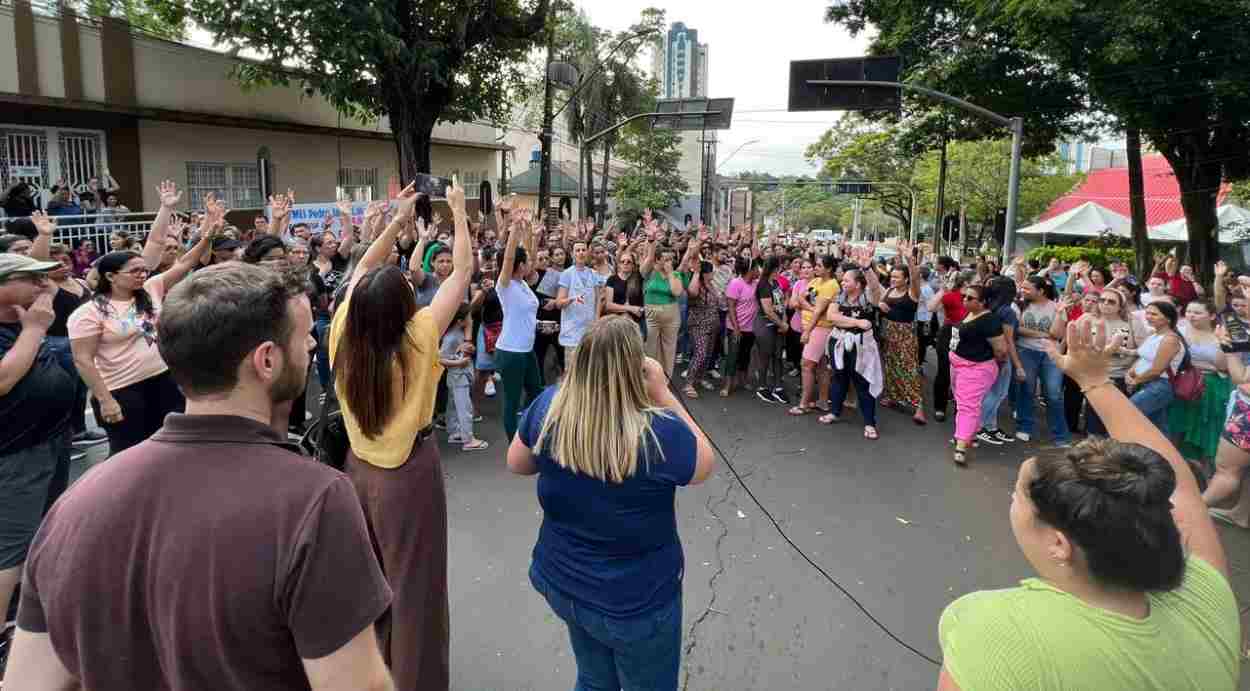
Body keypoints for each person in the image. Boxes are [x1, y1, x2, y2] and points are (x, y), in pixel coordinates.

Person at [5, 262, 395, 690]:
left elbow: (28, 682)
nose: (312, 344)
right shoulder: (315, 502)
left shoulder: (75, 503)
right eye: (303, 337)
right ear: (266, 360)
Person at [937, 316, 1239, 690]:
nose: (1012, 502)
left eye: (1017, 496)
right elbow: (1182, 493)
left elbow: (1180, 493)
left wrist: (1093, 382)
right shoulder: (1202, 597)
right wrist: (1097, 382)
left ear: (1059, 543)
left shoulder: (993, 631)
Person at [507, 317, 715, 690]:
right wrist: (665, 394)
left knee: (593, 679)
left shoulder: (551, 405)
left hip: (563, 579)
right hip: (634, 599)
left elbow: (517, 462)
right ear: (636, 367)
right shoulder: (657, 431)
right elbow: (704, 464)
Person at [330, 181, 471, 691]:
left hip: (355, 472)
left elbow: (363, 270)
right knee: (415, 593)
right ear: (404, 309)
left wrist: (396, 218)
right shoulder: (420, 337)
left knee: (366, 586)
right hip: (407, 477)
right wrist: (457, 211)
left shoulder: (344, 326)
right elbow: (462, 272)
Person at [68, 192, 219, 455]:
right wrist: (106, 400)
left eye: (143, 270)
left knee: (171, 445)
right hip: (124, 391)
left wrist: (207, 237)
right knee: (131, 453)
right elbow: (83, 360)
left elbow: (184, 263)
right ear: (111, 276)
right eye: (134, 271)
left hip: (163, 381)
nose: (142, 275)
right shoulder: (88, 313)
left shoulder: (151, 289)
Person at [0, 253, 76, 681]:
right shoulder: (27, 326)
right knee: (9, 547)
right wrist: (33, 330)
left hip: (48, 443)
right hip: (15, 453)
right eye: (29, 279)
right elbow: (3, 380)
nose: (40, 287)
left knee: (41, 533)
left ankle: (26, 613)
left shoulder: (25, 319)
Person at [821, 249, 883, 440]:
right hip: (840, 343)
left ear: (857, 284)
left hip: (862, 347)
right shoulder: (839, 296)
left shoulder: (867, 298)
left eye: (847, 280)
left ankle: (869, 423)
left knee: (862, 382)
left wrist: (866, 268)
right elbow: (832, 317)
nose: (843, 282)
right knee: (839, 378)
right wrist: (857, 323)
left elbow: (876, 290)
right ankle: (834, 411)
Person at [1165, 300, 1231, 476]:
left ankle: (1205, 474)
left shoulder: (1221, 335)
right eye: (1189, 311)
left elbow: (1223, 366)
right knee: (1180, 426)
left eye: (1197, 312)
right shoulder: (1179, 330)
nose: (1191, 316)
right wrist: (1205, 366)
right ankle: (1177, 470)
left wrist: (1220, 345)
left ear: (1211, 316)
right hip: (1183, 385)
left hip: (1211, 389)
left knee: (1206, 427)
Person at [494, 210, 543, 442]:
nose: (529, 264)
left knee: (536, 393)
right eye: (525, 263)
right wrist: (514, 229)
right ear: (519, 265)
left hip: (527, 350)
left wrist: (531, 233)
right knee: (512, 401)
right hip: (510, 352)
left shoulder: (523, 283)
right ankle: (514, 442)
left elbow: (529, 255)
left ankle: (534, 433)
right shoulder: (504, 286)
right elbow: (509, 259)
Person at [949, 284, 1007, 466]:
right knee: (965, 403)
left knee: (967, 406)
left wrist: (992, 365)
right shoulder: (970, 313)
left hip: (976, 369)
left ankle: (961, 446)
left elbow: (1001, 349)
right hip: (959, 366)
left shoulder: (989, 320)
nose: (964, 299)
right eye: (964, 296)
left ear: (983, 302)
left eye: (969, 298)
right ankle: (970, 436)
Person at [1014, 275, 1071, 445]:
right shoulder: (1020, 305)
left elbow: (1057, 334)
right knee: (1027, 389)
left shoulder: (1057, 307)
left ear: (1040, 291)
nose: (1022, 291)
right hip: (1026, 351)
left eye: (1027, 288)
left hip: (1050, 354)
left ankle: (1060, 435)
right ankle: (1025, 426)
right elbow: (1017, 329)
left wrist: (1060, 314)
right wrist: (1042, 334)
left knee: (1053, 394)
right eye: (1022, 288)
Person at [878, 243, 927, 425]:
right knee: (891, 366)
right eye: (892, 276)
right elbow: (881, 303)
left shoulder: (913, 292)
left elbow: (915, 277)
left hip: (905, 335)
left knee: (908, 369)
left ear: (906, 279)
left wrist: (909, 259)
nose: (893, 280)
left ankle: (918, 406)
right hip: (888, 332)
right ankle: (893, 396)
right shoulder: (890, 290)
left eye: (897, 277)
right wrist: (882, 307)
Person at [1080, 288, 1138, 436]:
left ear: (1120, 306)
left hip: (1121, 376)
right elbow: (1076, 346)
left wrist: (1129, 360)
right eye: (1102, 300)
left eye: (1111, 301)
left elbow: (1143, 351)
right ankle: (1093, 451)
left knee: (1116, 420)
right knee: (1094, 419)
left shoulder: (1131, 323)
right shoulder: (1087, 319)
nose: (1105, 304)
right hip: (1095, 377)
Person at [1124, 301, 1184, 433]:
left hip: (1159, 385)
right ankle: (1164, 452)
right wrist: (1130, 373)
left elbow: (1157, 369)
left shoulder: (1170, 339)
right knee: (1157, 428)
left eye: (1154, 314)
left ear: (1168, 319)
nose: (1149, 316)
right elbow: (1143, 359)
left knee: (1127, 412)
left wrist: (1135, 380)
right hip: (1146, 383)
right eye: (1147, 313)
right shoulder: (1153, 335)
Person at [791, 255, 839, 416]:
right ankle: (823, 401)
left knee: (806, 365)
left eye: (818, 265)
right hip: (814, 325)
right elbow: (800, 300)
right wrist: (814, 309)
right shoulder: (816, 282)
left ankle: (804, 404)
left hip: (819, 329)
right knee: (821, 367)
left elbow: (818, 309)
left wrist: (807, 331)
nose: (815, 268)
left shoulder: (831, 285)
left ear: (829, 268)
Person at [640, 242, 693, 377]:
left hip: (672, 315)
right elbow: (647, 261)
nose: (669, 262)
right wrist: (651, 242)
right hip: (653, 314)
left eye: (671, 259)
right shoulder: (650, 273)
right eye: (666, 259)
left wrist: (670, 273)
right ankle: (650, 377)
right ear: (657, 260)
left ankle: (666, 379)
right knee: (651, 347)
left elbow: (677, 292)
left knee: (669, 349)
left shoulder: (675, 274)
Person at [440, 305, 487, 451]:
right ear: (460, 321)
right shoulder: (451, 337)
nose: (471, 320)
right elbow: (441, 359)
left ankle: (455, 431)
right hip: (458, 377)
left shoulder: (457, 333)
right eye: (469, 317)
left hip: (459, 377)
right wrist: (458, 362)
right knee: (464, 407)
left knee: (453, 405)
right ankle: (468, 439)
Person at [930, 270, 971, 422]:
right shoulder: (951, 296)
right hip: (949, 334)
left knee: (964, 374)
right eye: (977, 280)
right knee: (944, 371)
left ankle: (960, 408)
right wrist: (942, 290)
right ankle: (939, 407)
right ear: (967, 283)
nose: (981, 283)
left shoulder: (979, 298)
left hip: (970, 336)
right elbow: (931, 307)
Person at [556, 240, 605, 359]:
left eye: (583, 250)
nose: (581, 253)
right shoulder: (567, 274)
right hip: (572, 330)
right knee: (572, 369)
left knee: (589, 367)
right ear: (572, 254)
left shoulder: (594, 274)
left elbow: (599, 299)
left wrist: (597, 320)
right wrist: (572, 299)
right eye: (577, 250)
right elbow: (559, 303)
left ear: (587, 253)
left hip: (589, 329)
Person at [751, 256, 790, 405]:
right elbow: (767, 310)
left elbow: (781, 304)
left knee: (778, 356)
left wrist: (784, 321)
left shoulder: (775, 282)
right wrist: (781, 323)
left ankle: (778, 387)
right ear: (775, 268)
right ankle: (762, 386)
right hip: (765, 325)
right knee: (765, 356)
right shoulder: (763, 285)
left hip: (778, 324)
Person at [682, 256, 721, 398]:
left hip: (713, 325)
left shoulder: (711, 284)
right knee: (700, 353)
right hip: (698, 325)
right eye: (711, 271)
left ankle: (700, 378)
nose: (713, 274)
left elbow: (717, 301)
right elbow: (691, 292)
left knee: (708, 355)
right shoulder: (696, 285)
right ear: (705, 273)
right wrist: (696, 273)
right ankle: (688, 383)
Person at [720, 257, 758, 398]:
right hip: (735, 328)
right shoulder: (735, 283)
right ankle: (727, 385)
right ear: (750, 270)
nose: (758, 270)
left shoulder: (756, 283)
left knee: (745, 355)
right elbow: (730, 307)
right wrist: (736, 328)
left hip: (751, 328)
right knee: (732, 356)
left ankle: (743, 380)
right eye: (756, 268)